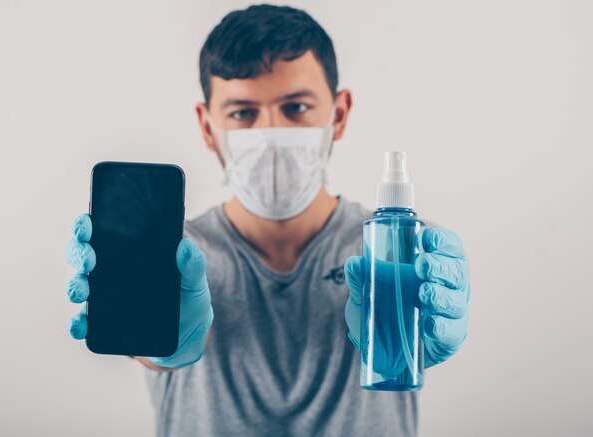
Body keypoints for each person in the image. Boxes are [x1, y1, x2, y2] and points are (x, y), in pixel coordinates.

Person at [65, 4, 470, 436]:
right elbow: (152, 350)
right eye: (243, 113)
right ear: (207, 126)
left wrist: (429, 325)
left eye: (295, 107)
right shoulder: (176, 252)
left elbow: (414, 337)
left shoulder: (396, 247)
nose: (271, 133)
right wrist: (160, 346)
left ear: (339, 113)